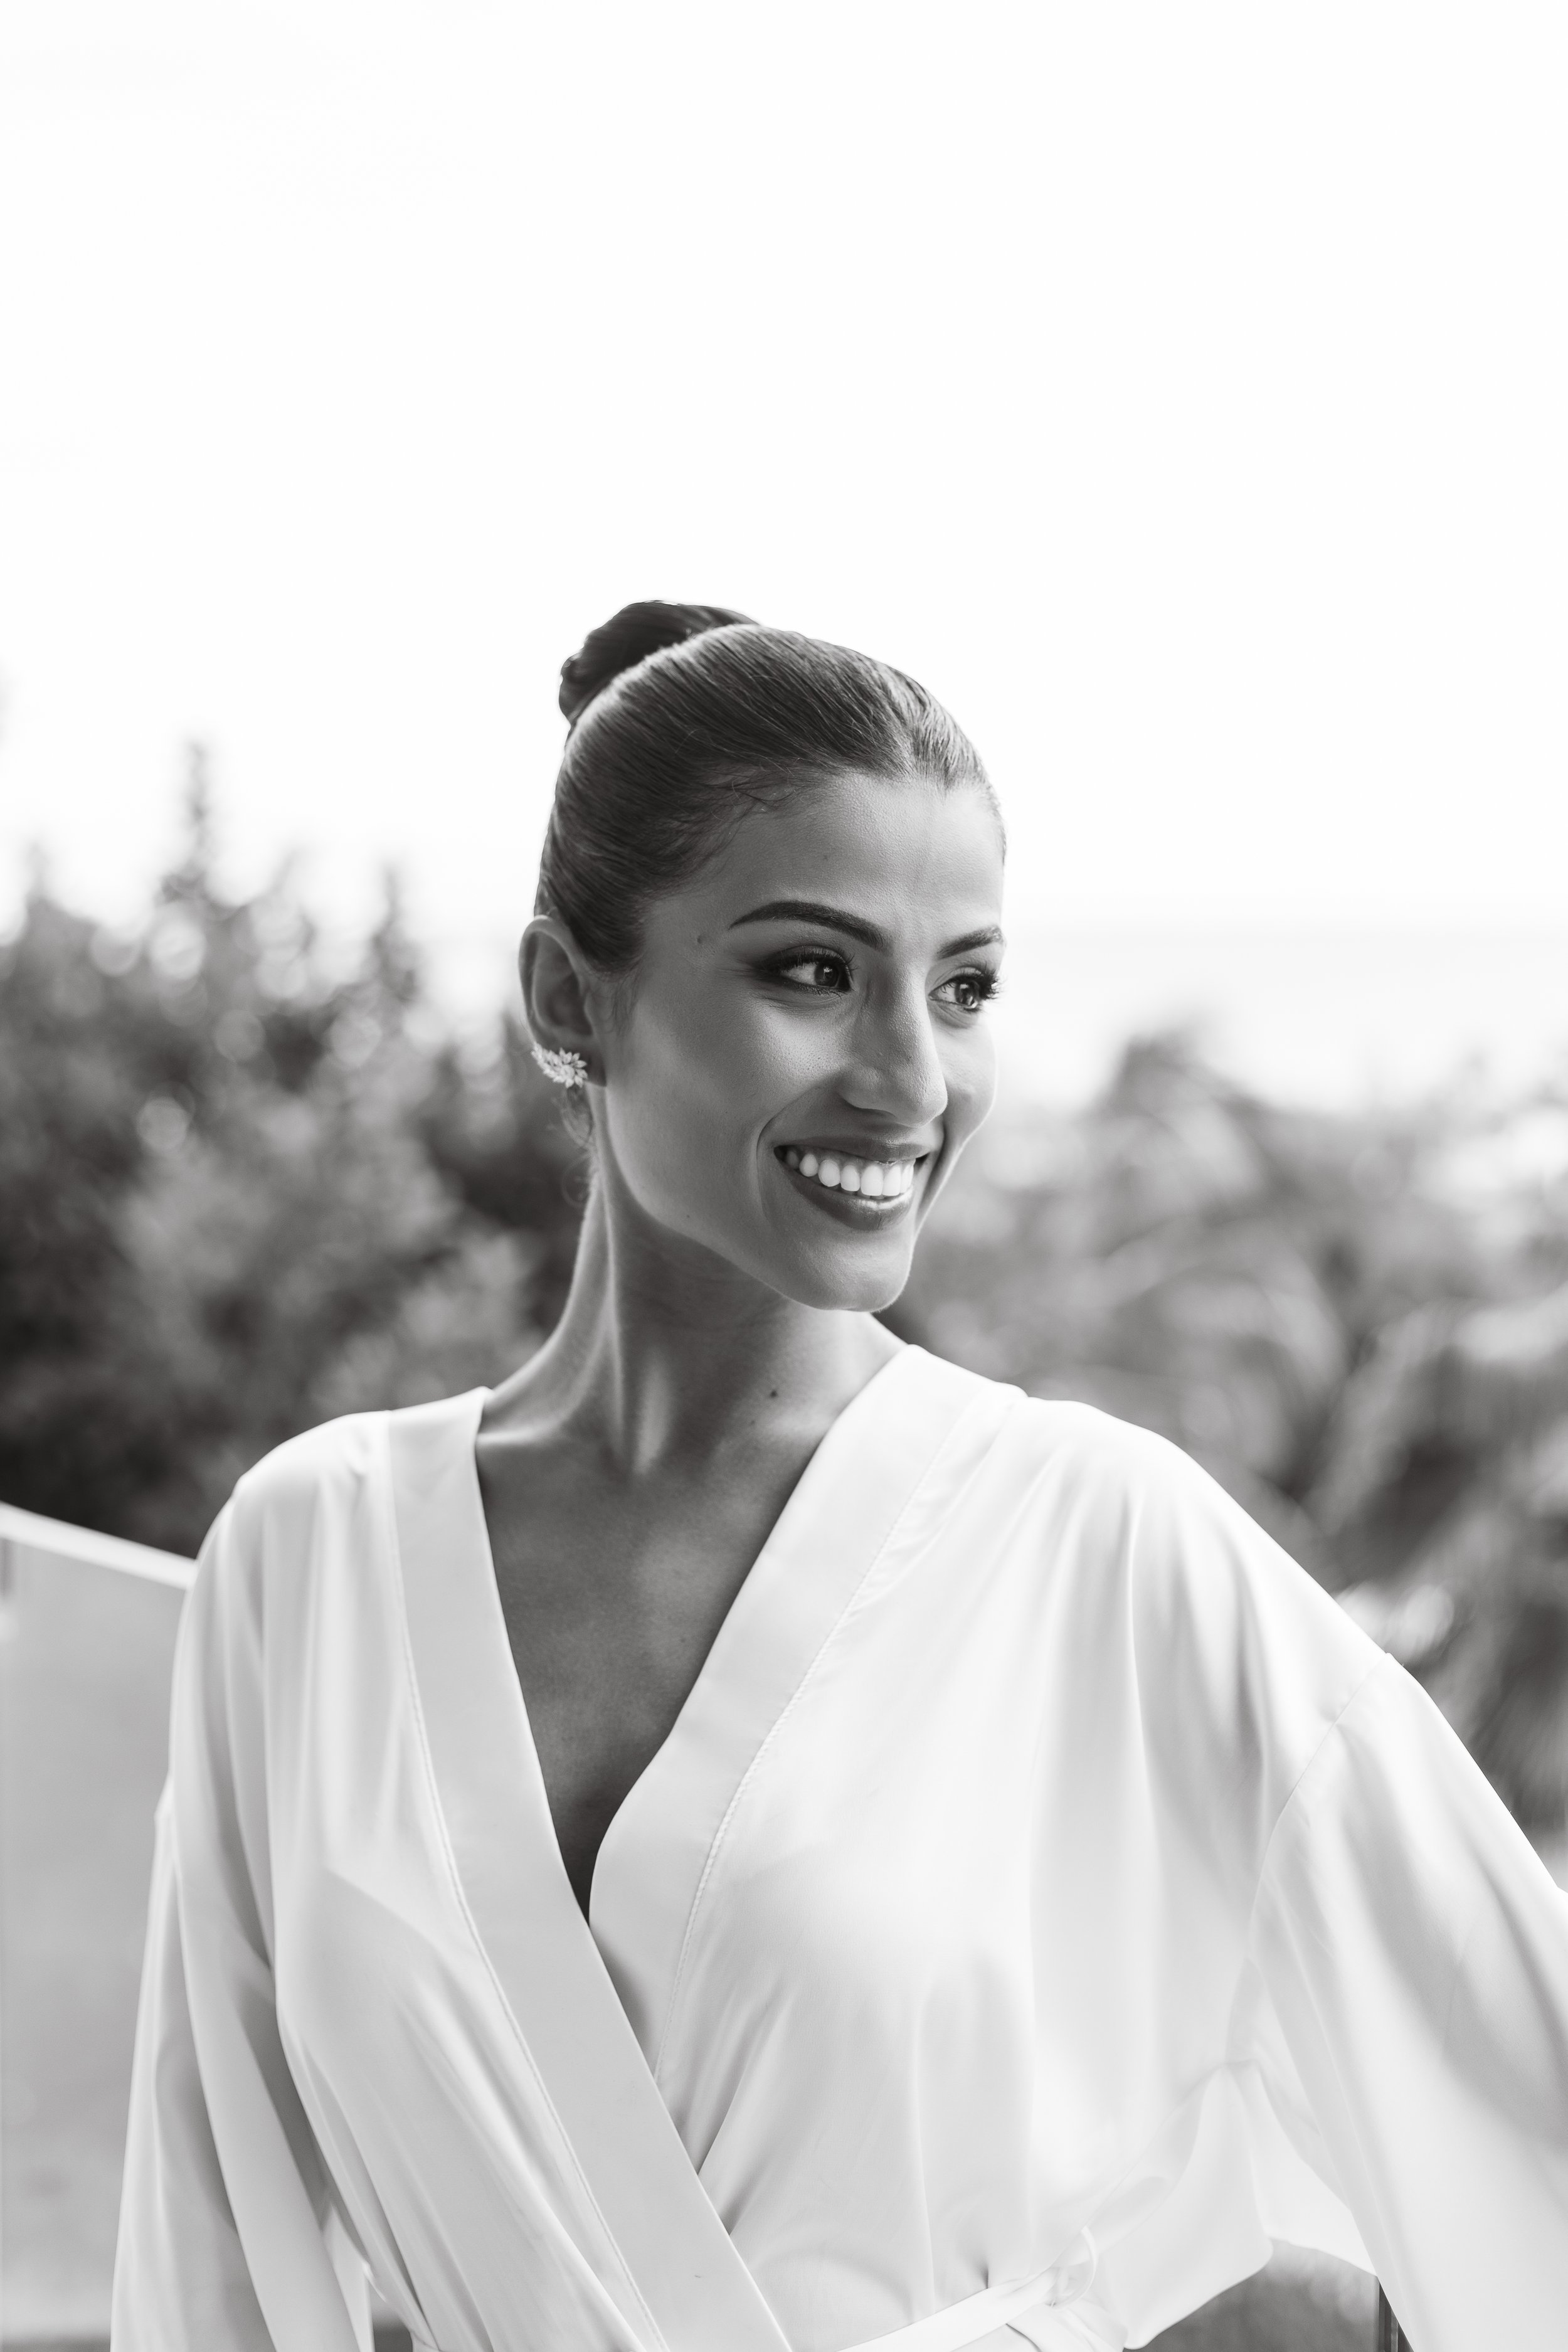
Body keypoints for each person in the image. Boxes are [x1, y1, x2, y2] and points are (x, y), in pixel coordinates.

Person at [112, 605, 1568, 2352]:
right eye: (813, 972)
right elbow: (211, 2255)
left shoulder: (1103, 1545)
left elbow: (1522, 2113)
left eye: (964, 988)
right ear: (567, 996)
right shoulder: (309, 1557)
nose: (911, 1080)